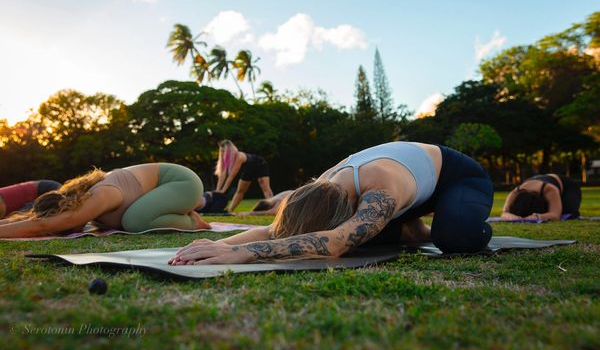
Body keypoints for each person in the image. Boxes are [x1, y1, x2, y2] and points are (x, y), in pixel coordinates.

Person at [169, 142, 494, 265]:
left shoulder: (380, 187)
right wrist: (218, 244)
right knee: (367, 237)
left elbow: (337, 242)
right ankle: (414, 230)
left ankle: (462, 220)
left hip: (456, 177)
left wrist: (242, 253)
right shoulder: (322, 186)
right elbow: (276, 230)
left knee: (454, 238)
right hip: (410, 191)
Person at [0, 163, 210, 238]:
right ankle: (183, 211)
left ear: (66, 211)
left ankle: (194, 222)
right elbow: (32, 219)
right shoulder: (81, 203)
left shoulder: (98, 196)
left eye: (64, 226)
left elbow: (42, 225)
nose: (67, 230)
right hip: (161, 191)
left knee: (135, 222)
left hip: (181, 181)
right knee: (134, 218)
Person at [214, 140, 274, 212]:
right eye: (222, 151)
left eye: (224, 151)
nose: (223, 153)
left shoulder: (239, 156)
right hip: (248, 170)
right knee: (240, 190)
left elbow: (231, 176)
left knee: (265, 188)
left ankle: (273, 207)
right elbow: (223, 174)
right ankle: (229, 210)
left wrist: (223, 190)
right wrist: (217, 190)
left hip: (259, 164)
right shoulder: (225, 160)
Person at [500, 173, 582, 221]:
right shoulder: (515, 192)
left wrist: (538, 216)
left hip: (568, 187)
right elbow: (504, 212)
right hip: (539, 180)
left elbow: (555, 215)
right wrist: (510, 216)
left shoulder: (549, 189)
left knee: (568, 213)